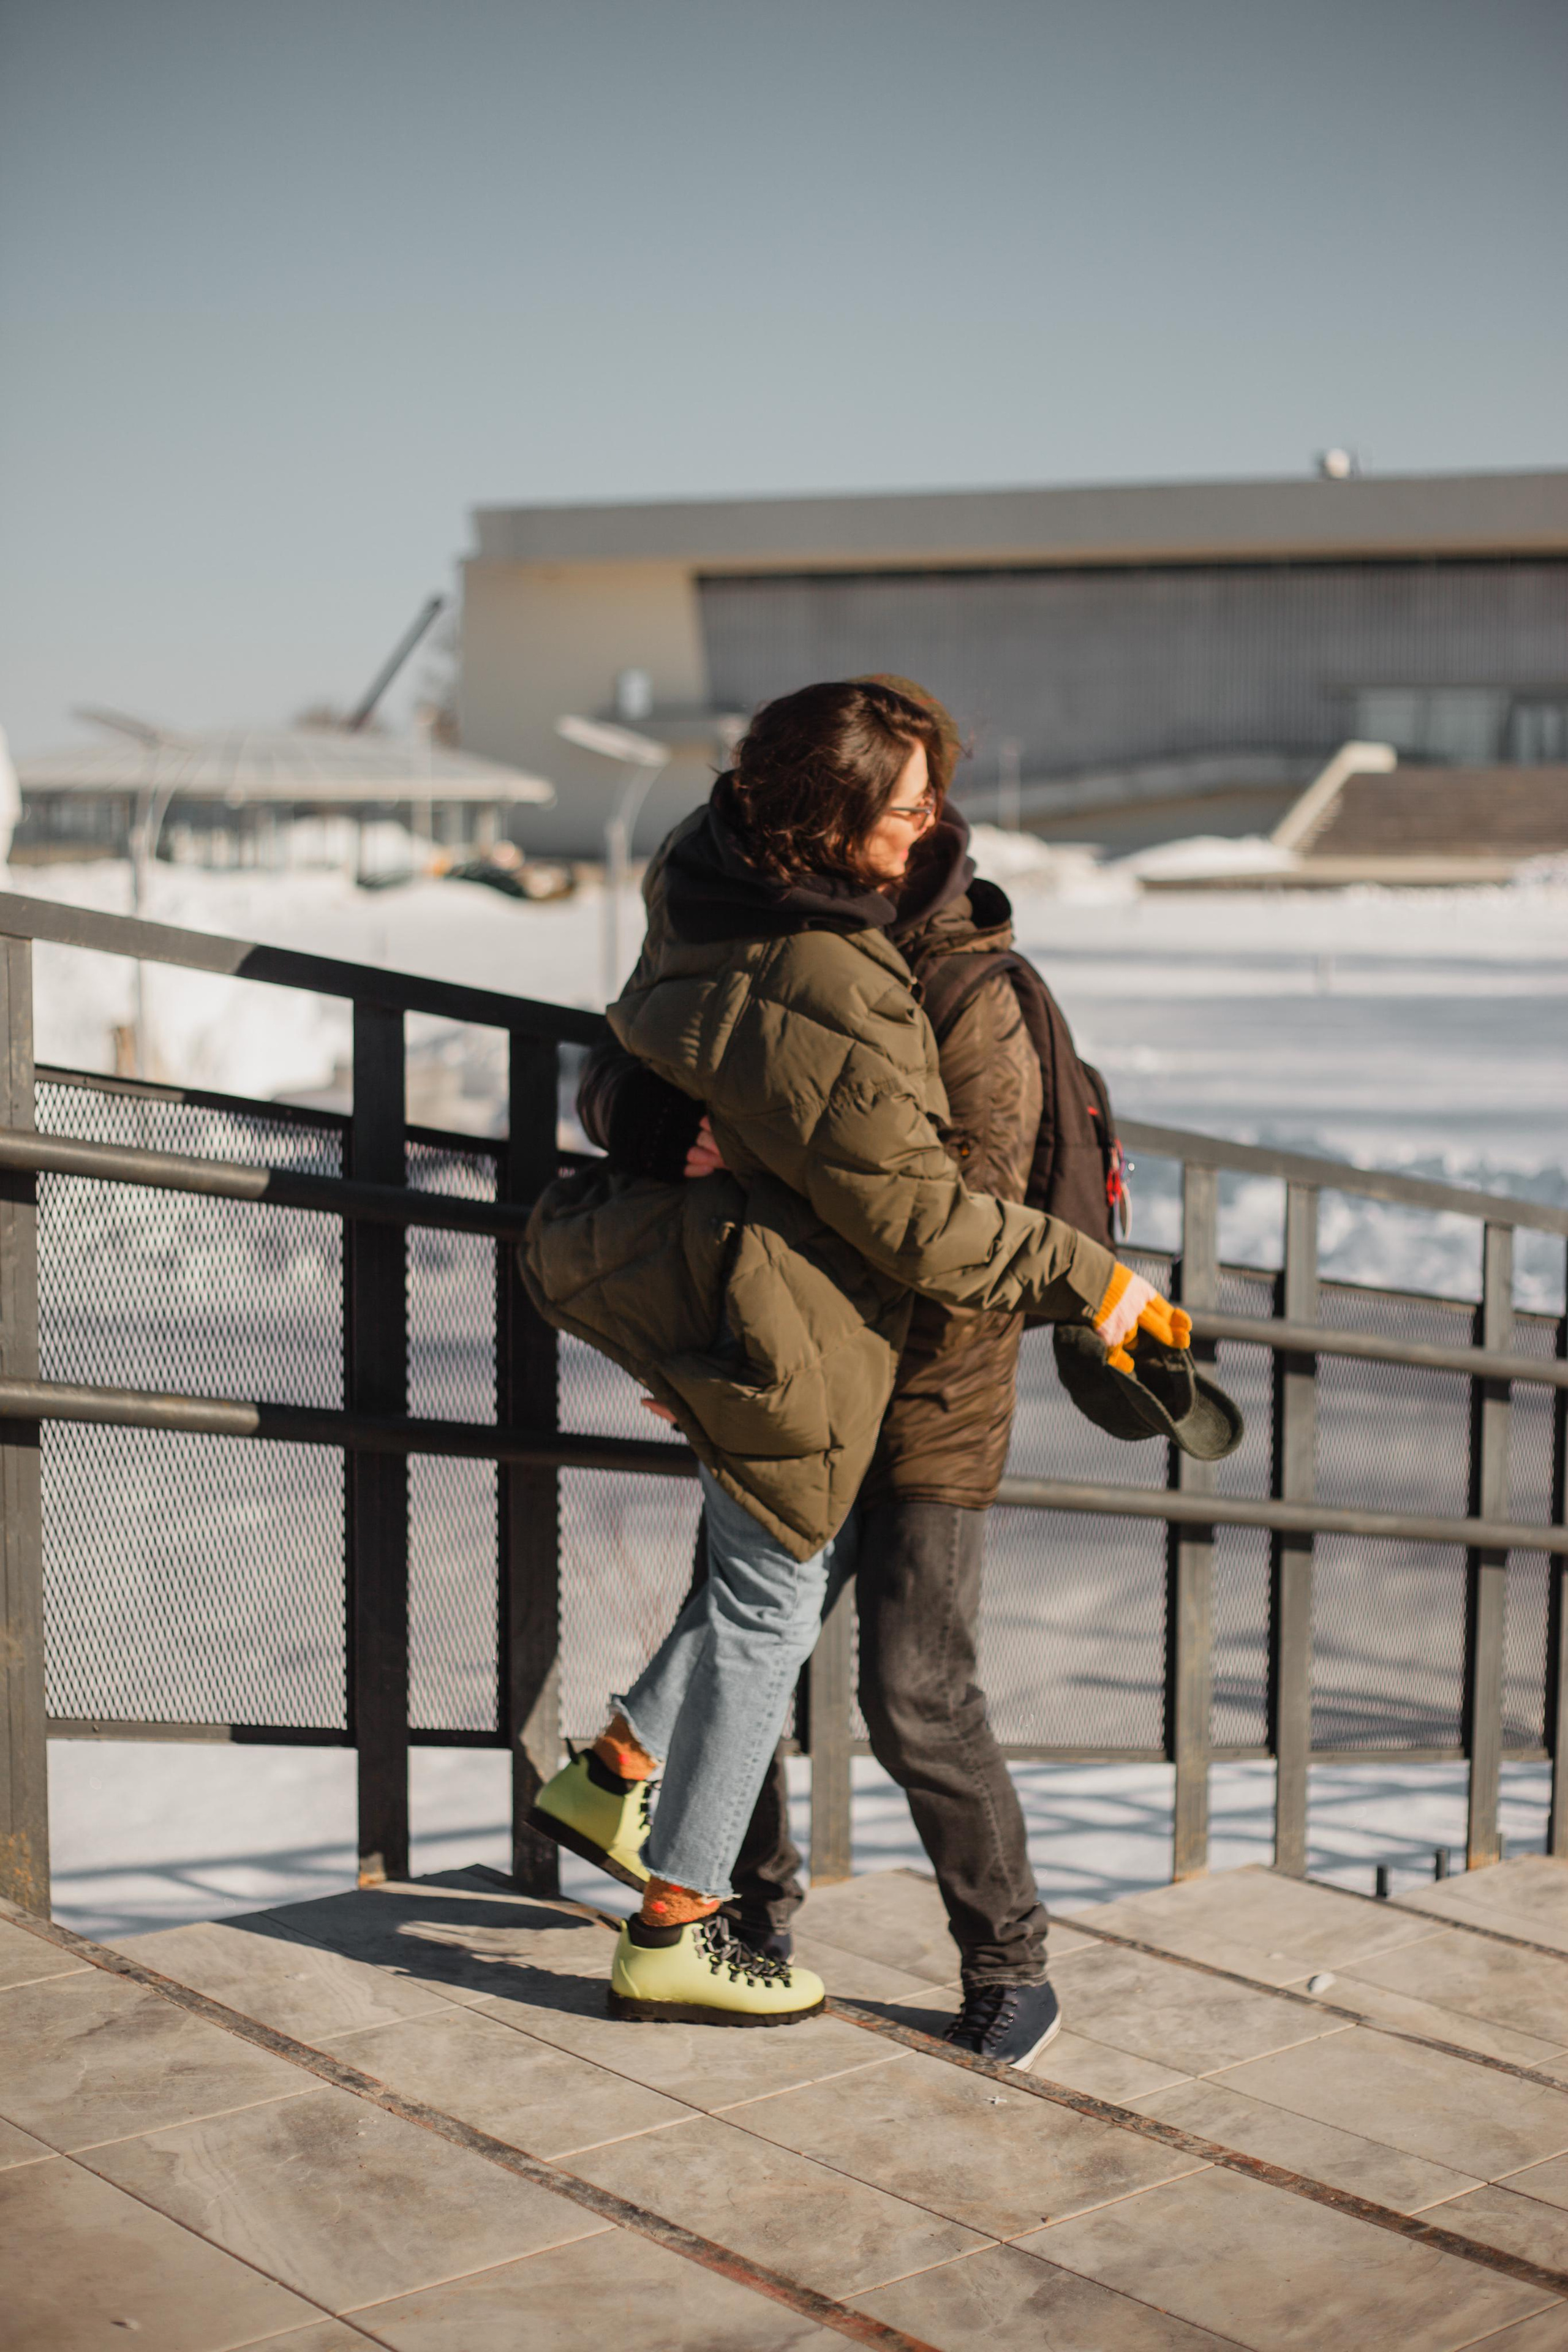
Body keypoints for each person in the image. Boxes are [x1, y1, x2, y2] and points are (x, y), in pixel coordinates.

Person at [520, 679, 1187, 2034]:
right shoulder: (758, 923)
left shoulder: (960, 994)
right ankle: (716, 1911)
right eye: (905, 801)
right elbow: (636, 1060)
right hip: (809, 1348)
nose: (933, 818)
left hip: (929, 1380)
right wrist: (652, 1130)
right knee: (762, 1615)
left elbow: (957, 1233)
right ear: (824, 832)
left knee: (908, 1695)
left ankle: (1003, 1967)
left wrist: (732, 1344)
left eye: (935, 796)